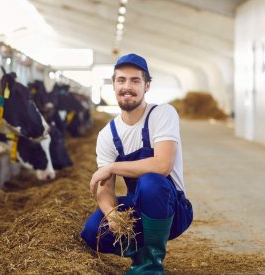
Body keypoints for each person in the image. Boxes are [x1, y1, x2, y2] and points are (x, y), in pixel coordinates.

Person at [80, 53, 193, 275]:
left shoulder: (162, 114)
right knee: (93, 231)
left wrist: (112, 167)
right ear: (113, 85)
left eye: (135, 80)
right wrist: (112, 215)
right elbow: (104, 189)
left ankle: (151, 266)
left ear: (147, 85)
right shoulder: (107, 134)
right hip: (138, 207)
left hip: (172, 208)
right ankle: (140, 255)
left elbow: (162, 165)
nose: (127, 87)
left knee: (151, 182)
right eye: (121, 80)